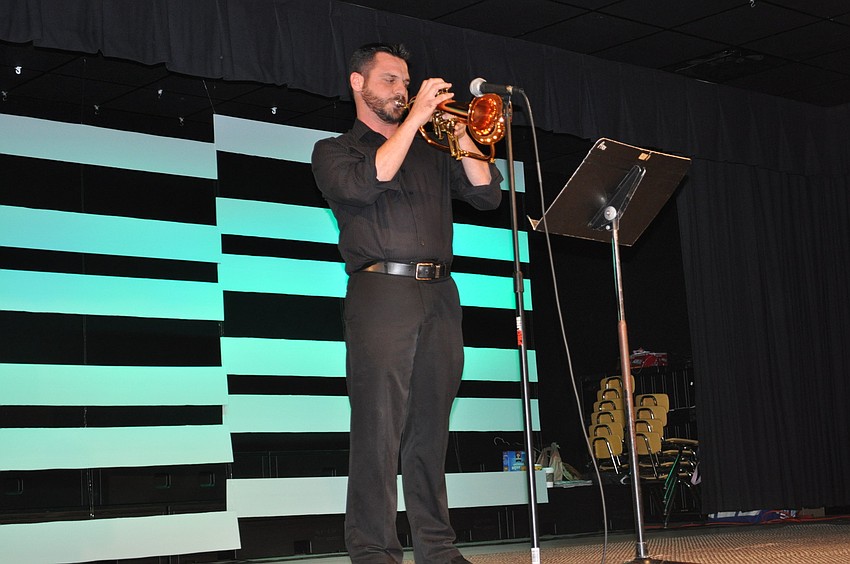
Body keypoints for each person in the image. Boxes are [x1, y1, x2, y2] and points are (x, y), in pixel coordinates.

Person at [311, 43, 503, 563]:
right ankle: (374, 551)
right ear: (358, 83)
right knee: (379, 428)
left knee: (430, 430)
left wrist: (461, 132)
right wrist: (416, 117)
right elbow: (364, 184)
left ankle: (436, 549)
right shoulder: (335, 150)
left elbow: (488, 194)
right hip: (381, 292)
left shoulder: (429, 149)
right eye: (391, 80)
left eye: (406, 82)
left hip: (441, 294)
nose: (402, 89)